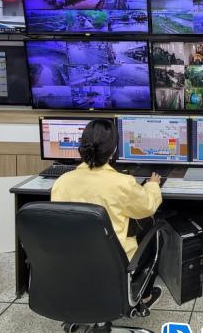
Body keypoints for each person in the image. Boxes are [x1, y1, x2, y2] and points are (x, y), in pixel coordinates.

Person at [51, 119, 164, 309]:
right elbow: (147, 207)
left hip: (70, 262)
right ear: (114, 149)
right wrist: (152, 185)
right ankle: (143, 296)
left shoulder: (62, 182)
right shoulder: (121, 183)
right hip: (113, 262)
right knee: (153, 231)